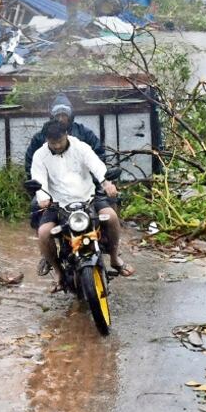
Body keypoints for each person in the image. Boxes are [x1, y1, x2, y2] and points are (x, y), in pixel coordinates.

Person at [31, 119, 134, 289]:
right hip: (58, 204)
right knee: (43, 233)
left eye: (60, 141)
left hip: (89, 198)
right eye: (53, 143)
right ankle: (58, 272)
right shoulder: (39, 156)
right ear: (46, 140)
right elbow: (38, 178)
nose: (57, 146)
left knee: (112, 217)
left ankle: (115, 258)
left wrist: (106, 183)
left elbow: (97, 166)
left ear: (66, 134)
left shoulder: (81, 147)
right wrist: (42, 197)